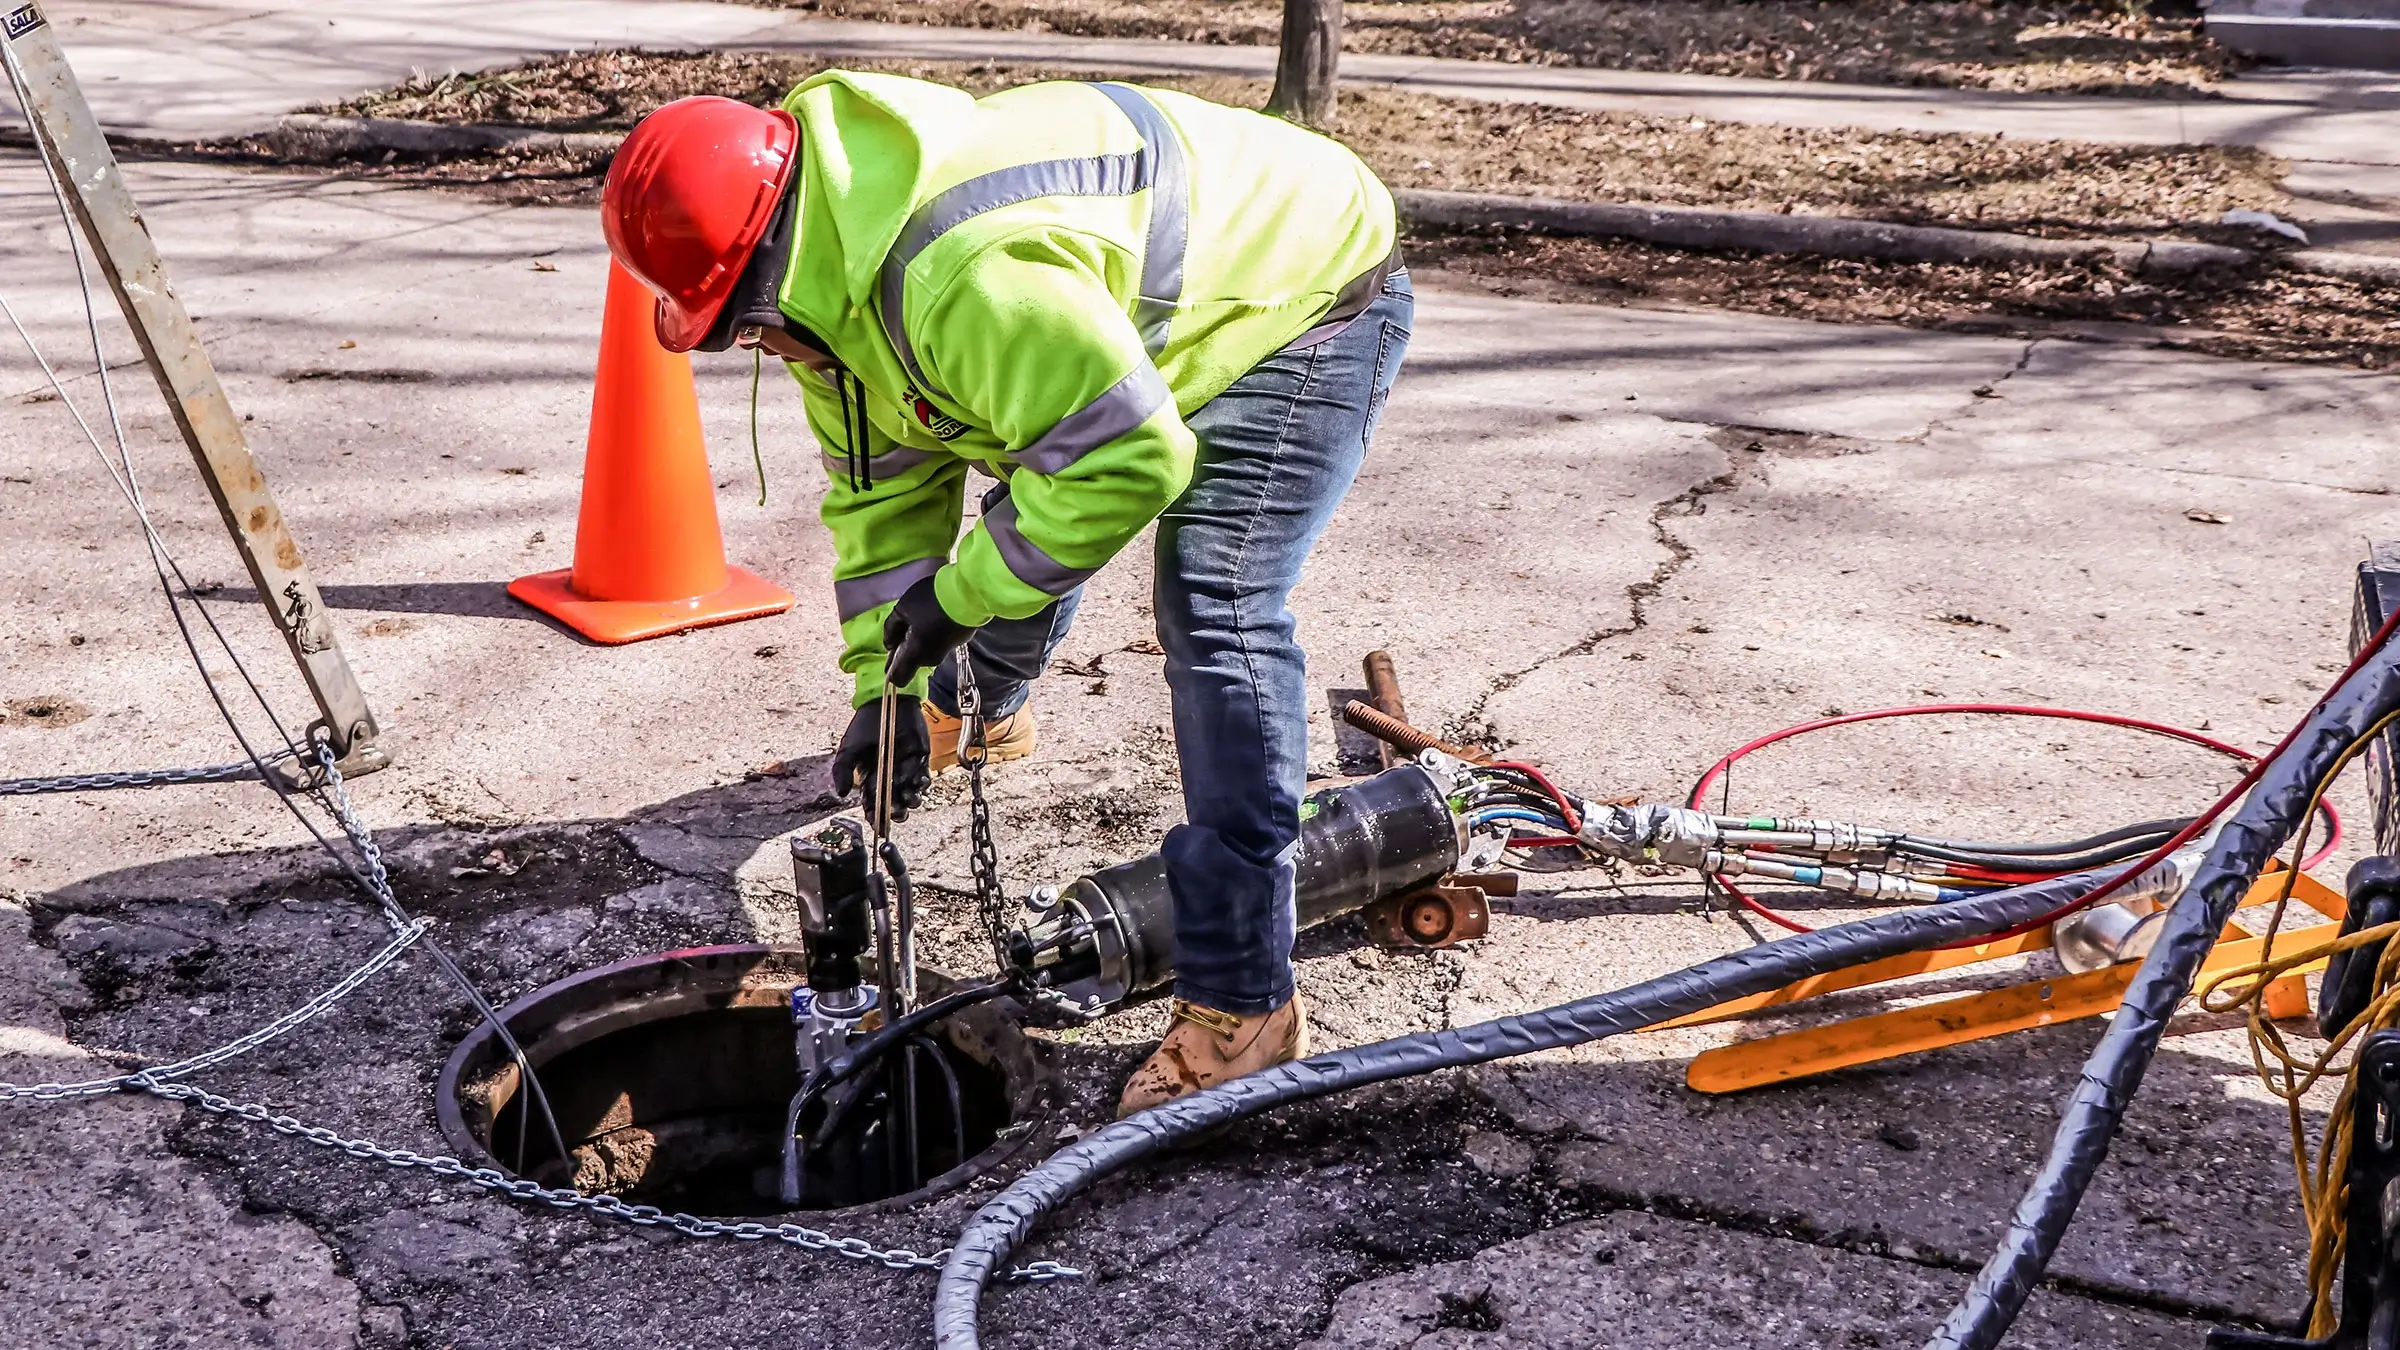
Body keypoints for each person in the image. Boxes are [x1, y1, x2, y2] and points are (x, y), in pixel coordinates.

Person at [600, 71, 1411, 1117]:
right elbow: (881, 495)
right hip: (1129, 311)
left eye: (743, 325)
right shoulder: (824, 293)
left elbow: (1123, 464)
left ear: (774, 268)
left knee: (1216, 607)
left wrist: (963, 594)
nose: (754, 348)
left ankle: (1244, 1001)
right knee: (1022, 491)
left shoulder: (966, 277)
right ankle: (986, 711)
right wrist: (883, 683)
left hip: (1303, 288)